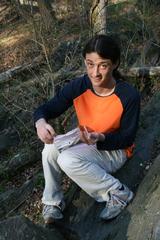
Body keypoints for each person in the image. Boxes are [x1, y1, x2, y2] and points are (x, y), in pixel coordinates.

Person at [33, 34, 140, 224]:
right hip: (84, 139)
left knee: (67, 159)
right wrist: (40, 122)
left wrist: (101, 137)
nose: (95, 72)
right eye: (90, 64)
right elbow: (47, 108)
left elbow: (127, 139)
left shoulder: (128, 95)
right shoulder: (79, 86)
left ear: (115, 64)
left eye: (103, 65)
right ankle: (53, 202)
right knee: (49, 149)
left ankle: (117, 193)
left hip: (114, 148)